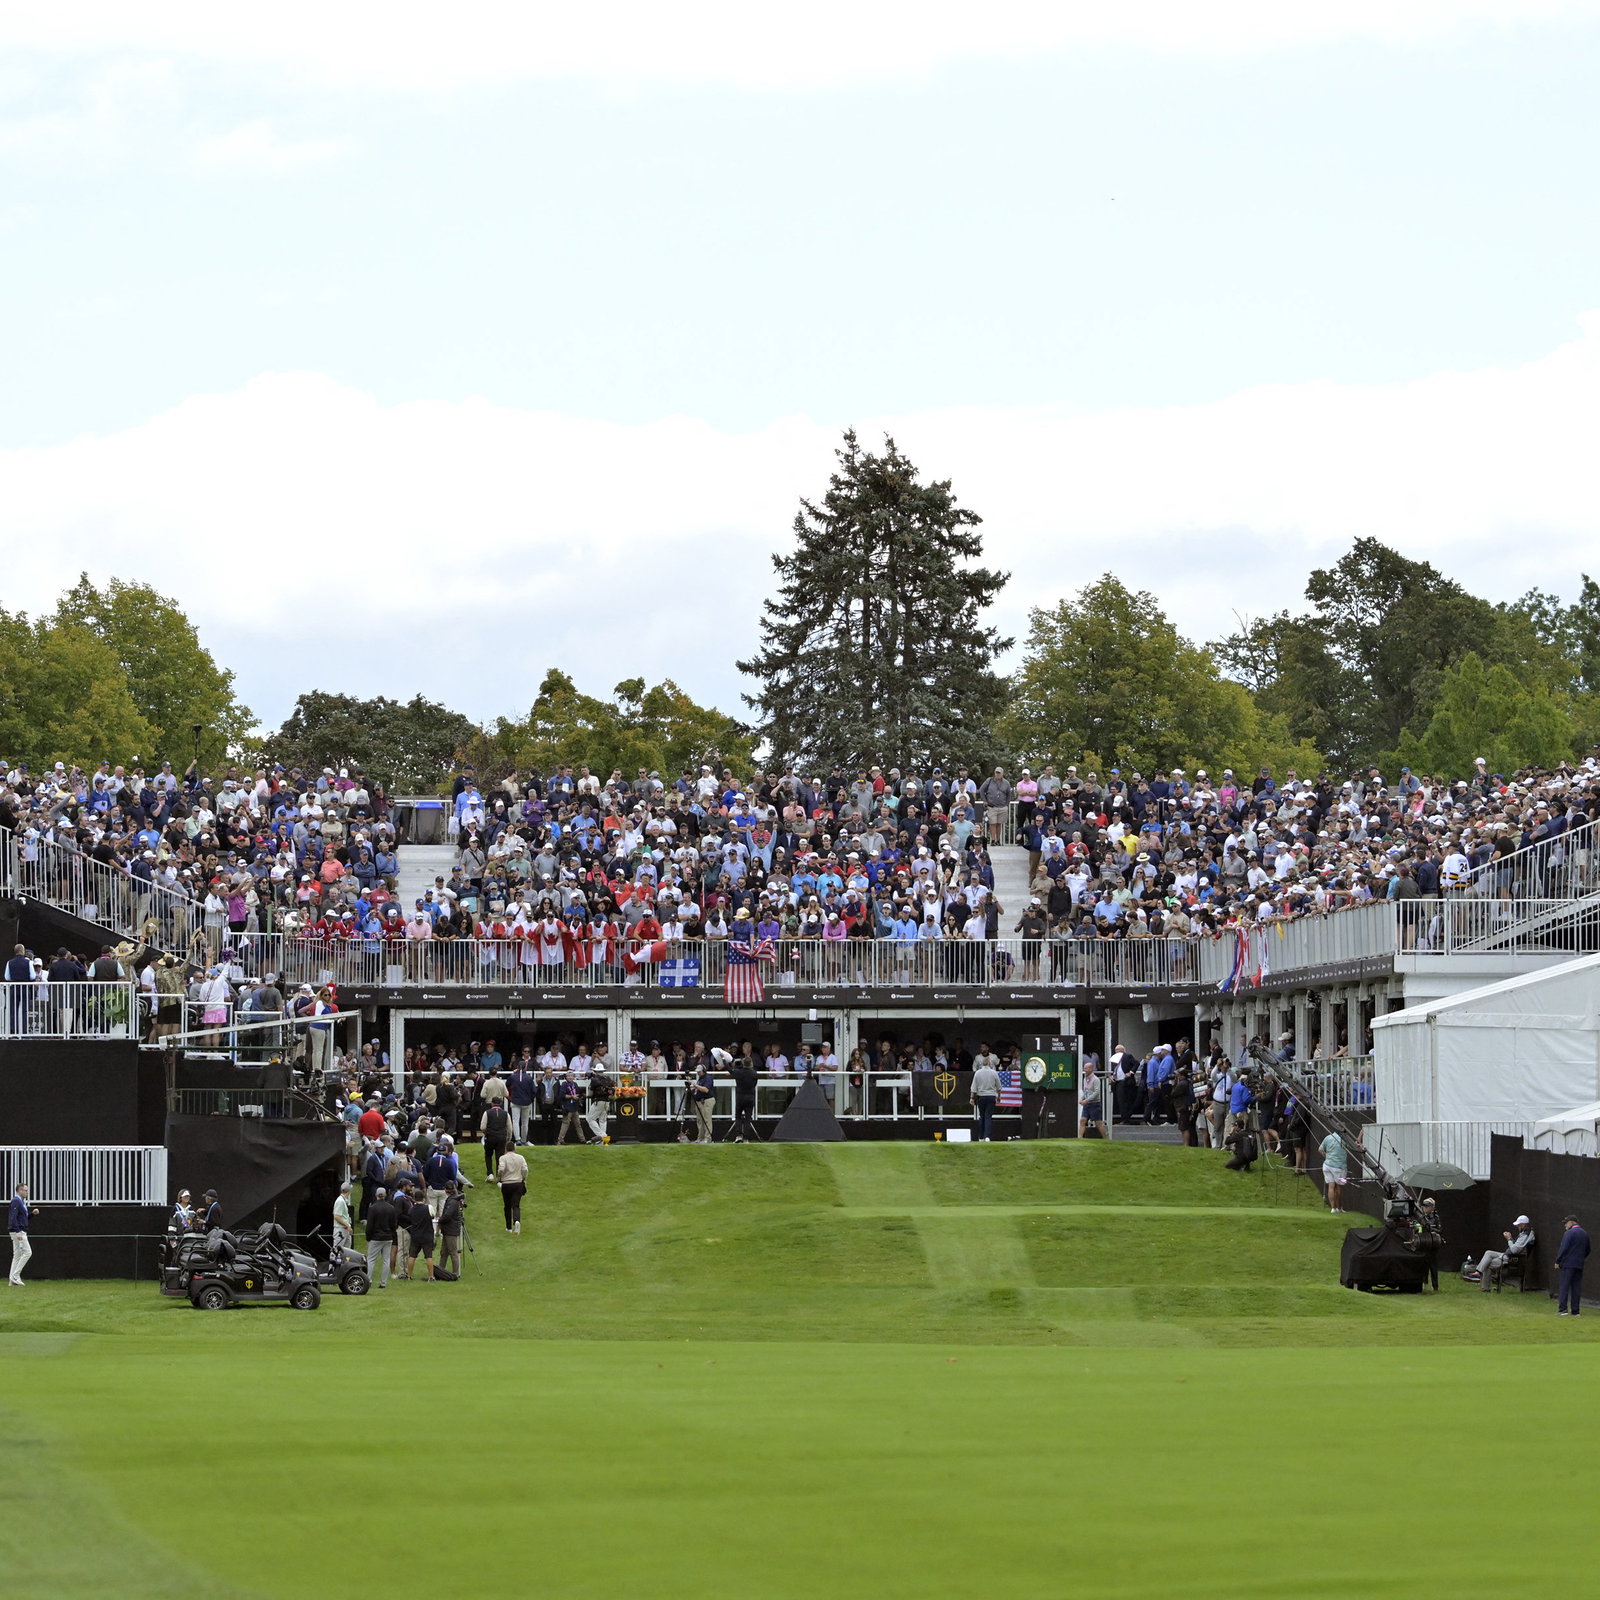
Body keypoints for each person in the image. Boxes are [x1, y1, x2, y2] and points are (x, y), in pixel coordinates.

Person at [1472, 1215, 1534, 1287]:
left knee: (1487, 1263)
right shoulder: (1524, 1233)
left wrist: (1509, 1239)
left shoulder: (1526, 1235)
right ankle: (1478, 1272)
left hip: (1512, 1258)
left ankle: (1485, 1287)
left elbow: (1514, 1250)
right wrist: (1511, 1239)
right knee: (1488, 1252)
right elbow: (1517, 1246)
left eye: (1518, 1225)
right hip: (1509, 1255)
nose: (1517, 1227)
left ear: (1523, 1225)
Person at [1557, 1214, 1590, 1316]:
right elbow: (1588, 1249)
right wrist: (1580, 1258)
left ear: (1572, 1222)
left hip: (1567, 1264)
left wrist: (1558, 1261)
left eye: (1566, 1223)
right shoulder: (1585, 1233)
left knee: (1564, 1286)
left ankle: (1563, 1310)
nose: (1565, 1225)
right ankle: (1575, 1311)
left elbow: (1564, 1248)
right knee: (1576, 1288)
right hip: (1579, 1264)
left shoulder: (1569, 1233)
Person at [364, 1187, 397, 1288]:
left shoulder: (372, 1208)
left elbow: (369, 1225)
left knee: (371, 1259)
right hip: (387, 1237)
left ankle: (368, 1280)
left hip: (375, 1237)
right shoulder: (391, 1208)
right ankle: (383, 1283)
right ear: (385, 1195)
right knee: (386, 1260)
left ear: (376, 1195)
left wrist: (368, 1237)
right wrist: (391, 1234)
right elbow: (394, 1224)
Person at [8, 1182, 37, 1286]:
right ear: (19, 1191)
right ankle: (16, 1275)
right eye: (25, 1190)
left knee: (17, 1255)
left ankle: (12, 1280)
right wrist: (17, 1231)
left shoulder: (21, 1202)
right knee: (28, 1252)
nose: (27, 1192)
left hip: (19, 1230)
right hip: (18, 1232)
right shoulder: (16, 1201)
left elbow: (22, 1219)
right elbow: (13, 1217)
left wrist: (32, 1215)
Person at [404, 1191, 437, 1280]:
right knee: (428, 1256)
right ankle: (431, 1276)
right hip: (427, 1235)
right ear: (423, 1198)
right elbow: (433, 1216)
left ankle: (409, 1275)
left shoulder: (411, 1209)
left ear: (414, 1198)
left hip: (415, 1236)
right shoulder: (428, 1207)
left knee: (412, 1256)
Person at [1413, 1197, 1443, 1291]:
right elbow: (1414, 1226)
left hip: (1432, 1245)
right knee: (1422, 1266)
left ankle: (1435, 1286)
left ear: (1432, 1207)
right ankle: (1422, 1285)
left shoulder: (1435, 1217)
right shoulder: (1419, 1217)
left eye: (1428, 1206)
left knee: (1433, 1266)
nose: (1426, 1208)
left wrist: (1431, 1228)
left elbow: (1440, 1230)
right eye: (1424, 1206)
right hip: (1421, 1244)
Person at [729, 1049, 759, 1142]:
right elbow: (755, 1084)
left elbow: (729, 1070)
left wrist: (724, 1061)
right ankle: (746, 1138)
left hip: (740, 1097)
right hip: (750, 1097)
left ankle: (739, 1135)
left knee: (738, 1116)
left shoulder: (739, 1072)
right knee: (748, 1118)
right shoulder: (754, 1073)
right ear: (751, 1064)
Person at [496, 1146, 528, 1233]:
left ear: (506, 1149)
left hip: (506, 1184)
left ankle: (509, 1228)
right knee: (516, 1205)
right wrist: (523, 1178)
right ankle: (516, 1220)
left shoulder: (503, 1158)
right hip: (517, 1183)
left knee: (507, 1206)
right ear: (514, 1149)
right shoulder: (520, 1157)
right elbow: (525, 1169)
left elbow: (501, 1169)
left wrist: (499, 1177)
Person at [970, 1053, 1001, 1142]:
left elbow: (974, 1087)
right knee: (988, 1116)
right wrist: (999, 1097)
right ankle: (987, 1136)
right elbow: (999, 1087)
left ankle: (981, 1136)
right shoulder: (994, 1073)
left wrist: (972, 1098)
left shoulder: (977, 1073)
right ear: (990, 1063)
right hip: (991, 1096)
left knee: (982, 1116)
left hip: (981, 1096)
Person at [480, 1095, 512, 1175]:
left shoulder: (487, 1112)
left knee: (488, 1155)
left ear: (492, 1103)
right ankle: (499, 1175)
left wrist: (485, 1133)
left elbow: (483, 1127)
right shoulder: (506, 1114)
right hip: (501, 1137)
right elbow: (510, 1128)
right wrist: (508, 1138)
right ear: (500, 1103)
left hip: (490, 1136)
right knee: (500, 1157)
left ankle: (490, 1173)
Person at [1319, 1132, 1349, 1213]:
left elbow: (1320, 1149)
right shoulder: (1345, 1139)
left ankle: (1333, 1208)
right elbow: (1355, 1146)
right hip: (1340, 1167)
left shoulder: (1328, 1137)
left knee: (1331, 1186)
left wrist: (1327, 1157)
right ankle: (1339, 1208)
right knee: (1340, 1186)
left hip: (1327, 1166)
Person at [439, 1183, 465, 1274]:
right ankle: (441, 1271)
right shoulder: (453, 1199)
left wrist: (439, 1220)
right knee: (443, 1252)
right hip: (448, 1229)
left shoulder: (452, 1201)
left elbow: (447, 1216)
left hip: (451, 1230)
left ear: (446, 1190)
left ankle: (455, 1273)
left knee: (453, 1252)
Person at [1078, 1057, 1107, 1138]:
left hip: (1095, 1104)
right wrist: (1082, 1099)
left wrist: (1087, 1100)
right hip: (1087, 1105)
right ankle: (1079, 1138)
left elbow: (1096, 1092)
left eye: (1086, 1068)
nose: (1085, 1070)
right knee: (1082, 1120)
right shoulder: (1085, 1079)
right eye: (1084, 1068)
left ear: (1091, 1068)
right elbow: (1085, 1090)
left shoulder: (1096, 1079)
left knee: (1098, 1123)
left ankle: (1106, 1138)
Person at [690, 1060, 717, 1144]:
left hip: (707, 1100)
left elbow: (705, 1089)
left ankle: (707, 1138)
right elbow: (699, 1088)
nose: (698, 1073)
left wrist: (696, 1086)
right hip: (699, 1101)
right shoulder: (700, 1079)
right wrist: (694, 1088)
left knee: (707, 1120)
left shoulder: (708, 1078)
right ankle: (700, 1137)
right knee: (699, 1120)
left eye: (699, 1071)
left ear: (704, 1071)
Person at [332, 1180, 354, 1251]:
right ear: (349, 1190)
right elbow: (336, 1216)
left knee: (347, 1252)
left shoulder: (343, 1200)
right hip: (340, 1230)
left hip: (344, 1229)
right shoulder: (340, 1201)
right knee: (338, 1252)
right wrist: (347, 1225)